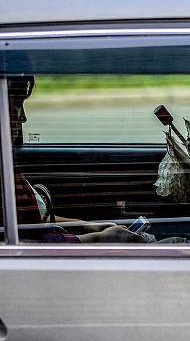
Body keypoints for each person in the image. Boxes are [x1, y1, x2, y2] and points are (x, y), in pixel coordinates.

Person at [9, 75, 142, 243]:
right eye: (18, 106)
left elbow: (35, 222)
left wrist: (87, 227)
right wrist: (100, 238)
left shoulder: (7, 166)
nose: (23, 117)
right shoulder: (4, 174)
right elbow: (31, 243)